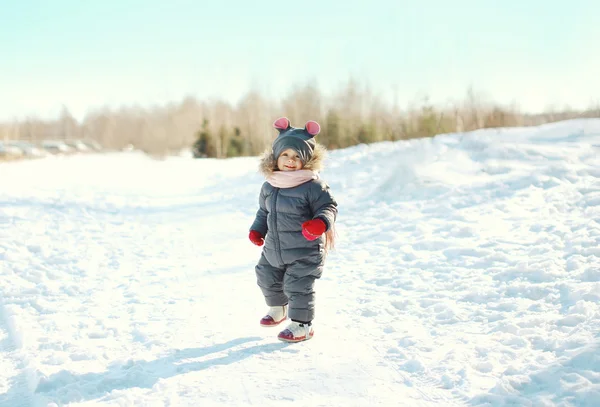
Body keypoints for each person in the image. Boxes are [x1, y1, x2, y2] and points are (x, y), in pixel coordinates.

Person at [249, 117, 338, 343]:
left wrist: (319, 223)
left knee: (297, 285)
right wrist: (257, 230)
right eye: (286, 155)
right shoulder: (270, 185)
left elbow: (329, 207)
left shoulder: (313, 186)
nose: (291, 161)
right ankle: (279, 309)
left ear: (306, 160)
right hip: (274, 248)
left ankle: (302, 325)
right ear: (276, 157)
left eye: (297, 156)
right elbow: (264, 212)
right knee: (265, 275)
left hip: (305, 250)